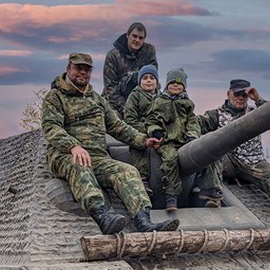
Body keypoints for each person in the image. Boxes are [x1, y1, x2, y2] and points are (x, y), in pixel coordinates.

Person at [41, 52, 178, 234]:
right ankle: (101, 216)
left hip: (97, 156)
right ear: (68, 69)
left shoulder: (97, 99)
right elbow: (51, 127)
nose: (82, 73)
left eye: (87, 70)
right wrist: (73, 146)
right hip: (64, 155)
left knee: (127, 171)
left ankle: (143, 221)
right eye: (78, 68)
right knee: (80, 165)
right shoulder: (55, 97)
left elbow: (117, 126)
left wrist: (144, 140)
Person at [198, 79, 270, 227]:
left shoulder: (256, 114)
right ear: (228, 94)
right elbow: (196, 126)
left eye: (244, 95)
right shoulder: (215, 115)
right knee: (212, 149)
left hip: (254, 161)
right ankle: (212, 196)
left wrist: (258, 99)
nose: (240, 98)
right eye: (236, 94)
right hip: (227, 160)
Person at [146, 68, 201, 212]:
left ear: (184, 86)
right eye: (172, 83)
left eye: (179, 84)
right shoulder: (159, 102)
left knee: (202, 155)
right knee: (171, 160)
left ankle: (200, 186)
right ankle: (171, 196)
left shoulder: (187, 104)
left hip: (184, 141)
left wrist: (192, 135)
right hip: (166, 141)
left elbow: (193, 122)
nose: (175, 86)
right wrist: (155, 130)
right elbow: (151, 119)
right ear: (166, 85)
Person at [102, 22, 158, 117]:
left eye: (141, 38)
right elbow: (110, 88)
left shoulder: (149, 51)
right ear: (127, 35)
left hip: (141, 100)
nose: (137, 40)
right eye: (134, 36)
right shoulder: (113, 55)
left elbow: (153, 78)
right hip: (117, 102)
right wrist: (128, 110)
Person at [123, 64, 160, 194]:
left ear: (157, 81)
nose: (148, 80)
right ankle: (143, 179)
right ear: (140, 82)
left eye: (152, 78)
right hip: (141, 130)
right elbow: (130, 119)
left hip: (160, 130)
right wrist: (147, 130)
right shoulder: (135, 96)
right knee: (138, 147)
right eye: (145, 78)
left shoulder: (162, 98)